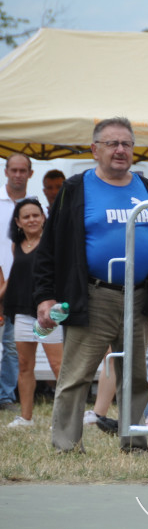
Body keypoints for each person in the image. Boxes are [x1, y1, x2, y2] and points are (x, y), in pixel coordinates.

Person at [35, 117, 148, 453]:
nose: (121, 150)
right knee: (77, 376)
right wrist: (45, 296)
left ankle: (134, 444)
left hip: (138, 298)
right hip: (93, 296)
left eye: (127, 144)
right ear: (95, 150)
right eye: (112, 144)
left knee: (136, 378)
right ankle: (66, 446)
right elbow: (50, 247)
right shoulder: (76, 189)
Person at [3, 199, 63, 427]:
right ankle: (26, 417)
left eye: (35, 215)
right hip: (22, 313)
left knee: (58, 366)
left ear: (43, 218)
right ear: (18, 222)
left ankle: (65, 416)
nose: (31, 220)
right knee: (24, 365)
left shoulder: (52, 243)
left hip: (49, 313)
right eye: (26, 217)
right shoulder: (15, 245)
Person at [0, 153, 36, 411]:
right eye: (13, 170)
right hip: (2, 278)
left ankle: (6, 397)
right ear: (5, 171)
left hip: (21, 287)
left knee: (12, 348)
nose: (18, 175)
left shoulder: (36, 207)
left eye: (23, 170)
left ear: (30, 174)